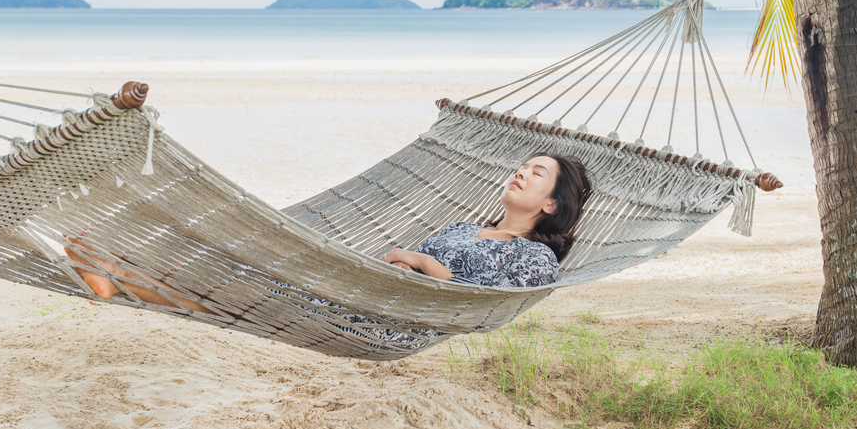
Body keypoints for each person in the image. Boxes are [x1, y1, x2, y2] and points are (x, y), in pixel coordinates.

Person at [63, 151, 592, 316]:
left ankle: (124, 281)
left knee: (262, 288)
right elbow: (412, 264)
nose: (520, 171)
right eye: (522, 164)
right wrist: (403, 261)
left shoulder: (535, 259)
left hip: (394, 318)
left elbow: (475, 302)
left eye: (536, 173)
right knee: (254, 268)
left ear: (551, 203)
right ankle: (126, 280)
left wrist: (420, 262)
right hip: (370, 290)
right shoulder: (463, 226)